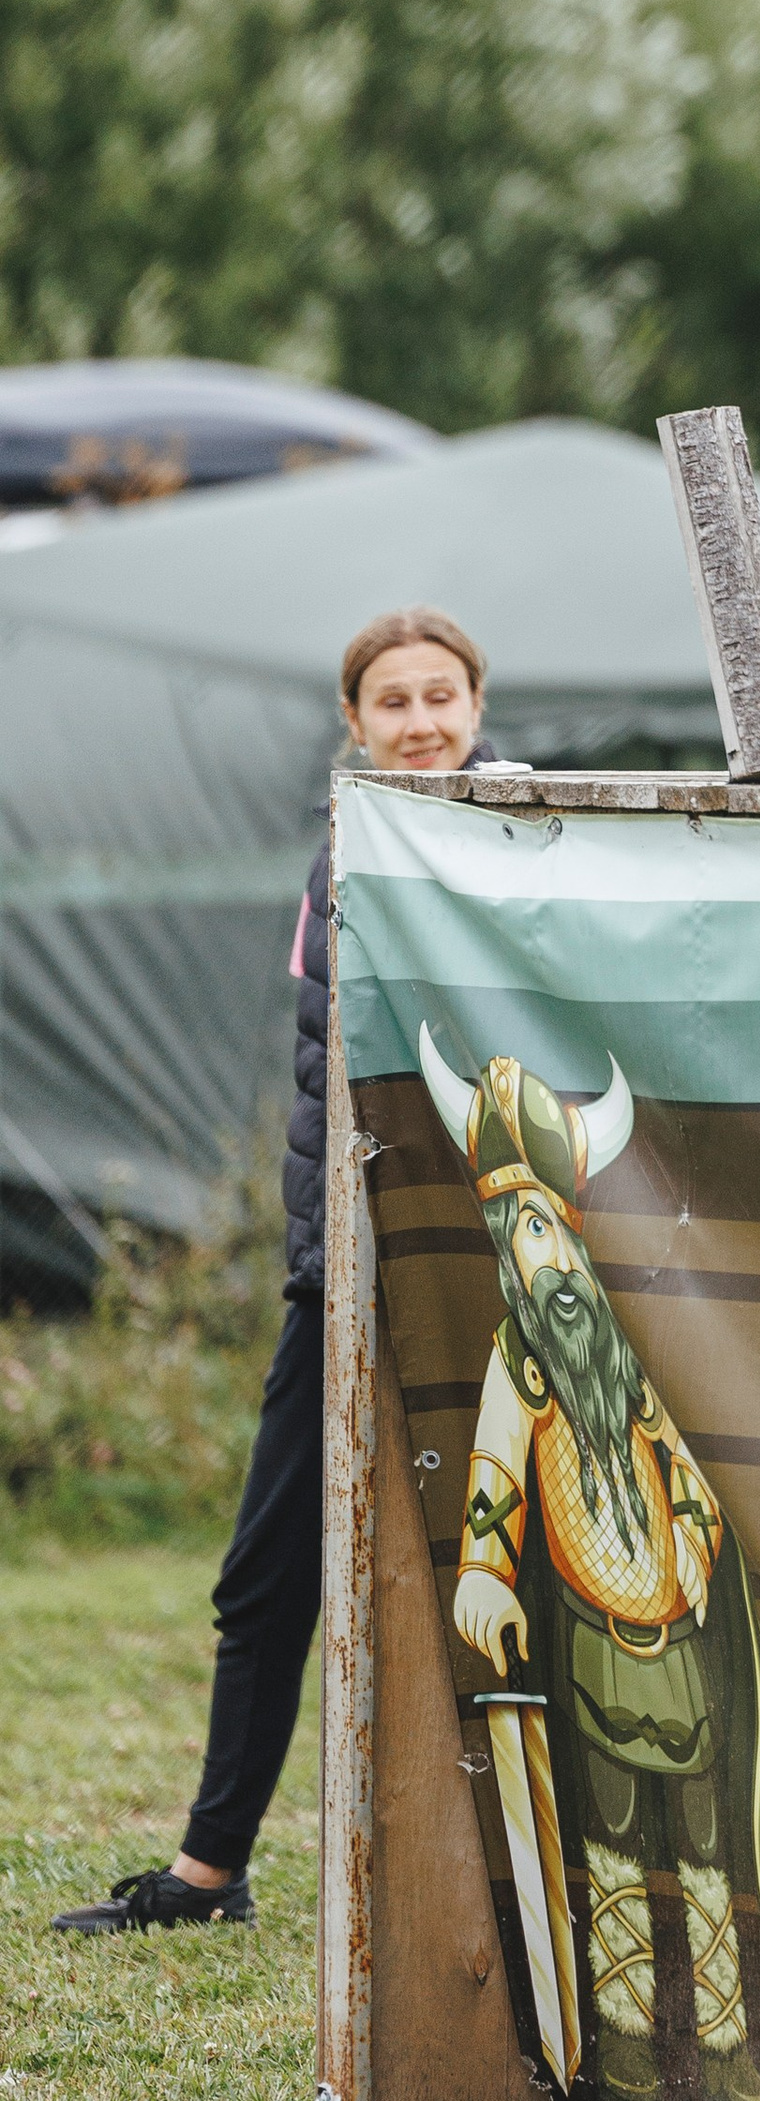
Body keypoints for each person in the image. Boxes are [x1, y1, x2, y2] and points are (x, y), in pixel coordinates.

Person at [52, 610, 491, 1935]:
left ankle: (515, 1891)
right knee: (264, 1576)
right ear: (354, 725)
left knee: (507, 1582)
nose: (420, 720)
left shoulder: (526, 845)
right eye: (393, 701)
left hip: (485, 1281)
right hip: (339, 1276)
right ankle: (208, 1875)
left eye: (441, 695)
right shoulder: (336, 861)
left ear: (478, 708)